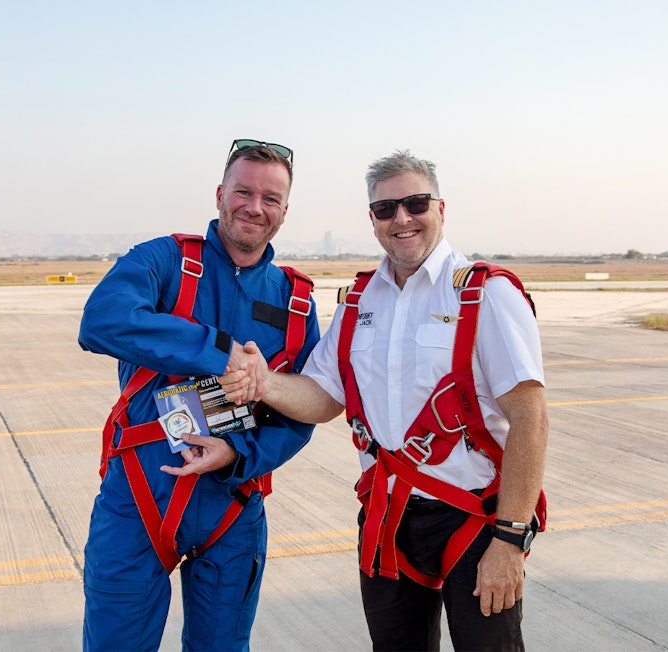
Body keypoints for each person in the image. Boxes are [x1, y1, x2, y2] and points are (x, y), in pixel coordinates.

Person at [221, 150, 548, 651]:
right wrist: (263, 382)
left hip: (475, 519)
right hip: (388, 517)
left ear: (440, 209)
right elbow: (322, 396)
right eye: (385, 208)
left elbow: (530, 416)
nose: (401, 218)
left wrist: (510, 538)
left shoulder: (484, 293)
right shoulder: (359, 301)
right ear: (372, 219)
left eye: (415, 203)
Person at [78, 139, 320, 652]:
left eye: (271, 198)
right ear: (219, 195)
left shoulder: (293, 300)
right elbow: (101, 321)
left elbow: (302, 410)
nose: (255, 207)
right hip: (140, 498)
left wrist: (237, 455)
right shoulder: (165, 261)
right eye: (243, 191)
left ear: (284, 212)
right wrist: (217, 351)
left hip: (233, 505)